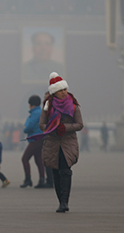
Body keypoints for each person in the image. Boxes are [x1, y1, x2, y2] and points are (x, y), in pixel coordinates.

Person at [31, 72, 83, 213]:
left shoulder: (73, 106)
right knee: (56, 172)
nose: (64, 92)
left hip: (68, 142)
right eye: (60, 90)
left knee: (65, 171)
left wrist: (65, 127)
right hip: (52, 142)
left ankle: (65, 201)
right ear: (54, 92)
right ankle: (61, 201)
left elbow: (79, 125)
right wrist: (52, 128)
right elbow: (42, 124)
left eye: (65, 89)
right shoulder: (48, 107)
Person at [20, 95, 46, 188]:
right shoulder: (41, 112)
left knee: (25, 158)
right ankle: (42, 179)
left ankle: (28, 179)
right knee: (38, 159)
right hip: (40, 138)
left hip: (35, 138)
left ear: (31, 104)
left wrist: (25, 130)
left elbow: (30, 126)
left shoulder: (35, 113)